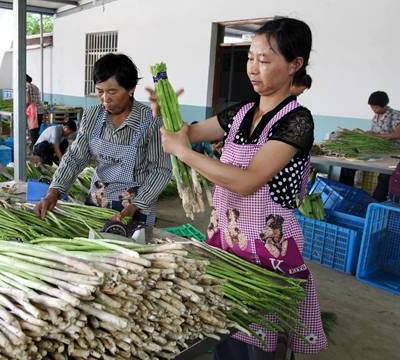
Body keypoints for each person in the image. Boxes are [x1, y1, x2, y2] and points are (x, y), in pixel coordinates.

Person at [150, 18, 327, 358]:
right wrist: (168, 116)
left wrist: (184, 152)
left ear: (295, 65)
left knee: (258, 343)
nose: (253, 68)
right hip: (227, 243)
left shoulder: (297, 121)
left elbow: (247, 182)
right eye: (250, 57)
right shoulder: (241, 113)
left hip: (267, 253)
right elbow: (191, 132)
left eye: (265, 60)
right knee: (225, 337)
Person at [34, 53, 172, 239]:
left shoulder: (151, 121)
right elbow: (75, 158)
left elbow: (160, 170)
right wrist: (54, 192)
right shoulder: (92, 116)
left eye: (112, 92)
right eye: (100, 91)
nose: (105, 98)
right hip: (98, 203)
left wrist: (132, 208)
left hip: (136, 208)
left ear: (131, 88)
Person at [339, 91, 400, 200]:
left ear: (384, 104)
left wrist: (377, 136)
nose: (373, 109)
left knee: (385, 175)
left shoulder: (395, 115)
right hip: (374, 151)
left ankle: (376, 202)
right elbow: (373, 133)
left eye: (375, 107)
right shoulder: (375, 116)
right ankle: (344, 195)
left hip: (390, 153)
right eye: (371, 107)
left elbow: (397, 134)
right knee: (348, 167)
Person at [26, 74, 44, 148]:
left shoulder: (25, 86)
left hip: (33, 111)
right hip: (40, 110)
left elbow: (27, 100)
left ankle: (35, 148)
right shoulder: (35, 87)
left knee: (33, 130)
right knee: (36, 131)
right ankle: (36, 146)